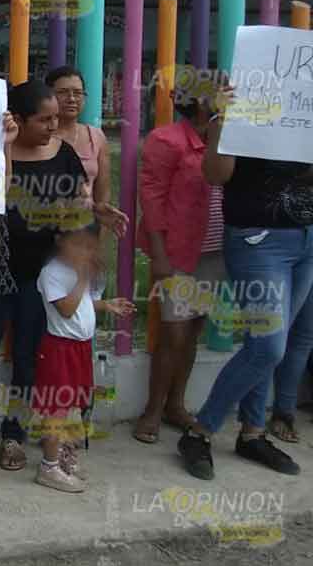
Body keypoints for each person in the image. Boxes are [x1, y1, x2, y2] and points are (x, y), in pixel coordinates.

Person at [0, 81, 118, 472]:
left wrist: (97, 211)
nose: (55, 125)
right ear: (18, 119)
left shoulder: (63, 154)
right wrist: (5, 147)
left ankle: (15, 434)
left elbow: (75, 206)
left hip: (41, 275)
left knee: (28, 358)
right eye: (44, 119)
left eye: (56, 118)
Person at [179, 85, 313, 480]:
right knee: (269, 345)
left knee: (271, 341)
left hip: (306, 238)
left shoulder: (301, 114)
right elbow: (215, 175)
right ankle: (199, 430)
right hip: (259, 240)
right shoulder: (239, 114)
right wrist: (223, 121)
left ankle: (252, 433)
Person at [134, 66, 226, 444]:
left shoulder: (225, 138)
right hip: (178, 251)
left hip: (215, 250)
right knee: (173, 334)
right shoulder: (166, 140)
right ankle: (153, 409)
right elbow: (152, 199)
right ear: (201, 100)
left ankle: (176, 404)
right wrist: (158, 253)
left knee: (193, 332)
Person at [34, 225, 135, 493]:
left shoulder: (82, 272)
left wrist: (107, 304)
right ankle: (49, 466)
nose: (85, 252)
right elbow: (66, 309)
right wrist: (81, 277)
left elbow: (84, 302)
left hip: (81, 348)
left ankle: (65, 455)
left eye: (89, 246)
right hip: (59, 348)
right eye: (78, 245)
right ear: (60, 242)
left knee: (74, 406)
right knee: (56, 408)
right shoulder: (52, 273)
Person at [45, 66, 114, 214]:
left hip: (83, 227)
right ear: (48, 96)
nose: (71, 99)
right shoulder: (38, 135)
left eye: (77, 93)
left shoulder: (96, 137)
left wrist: (98, 233)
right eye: (63, 92)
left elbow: (102, 195)